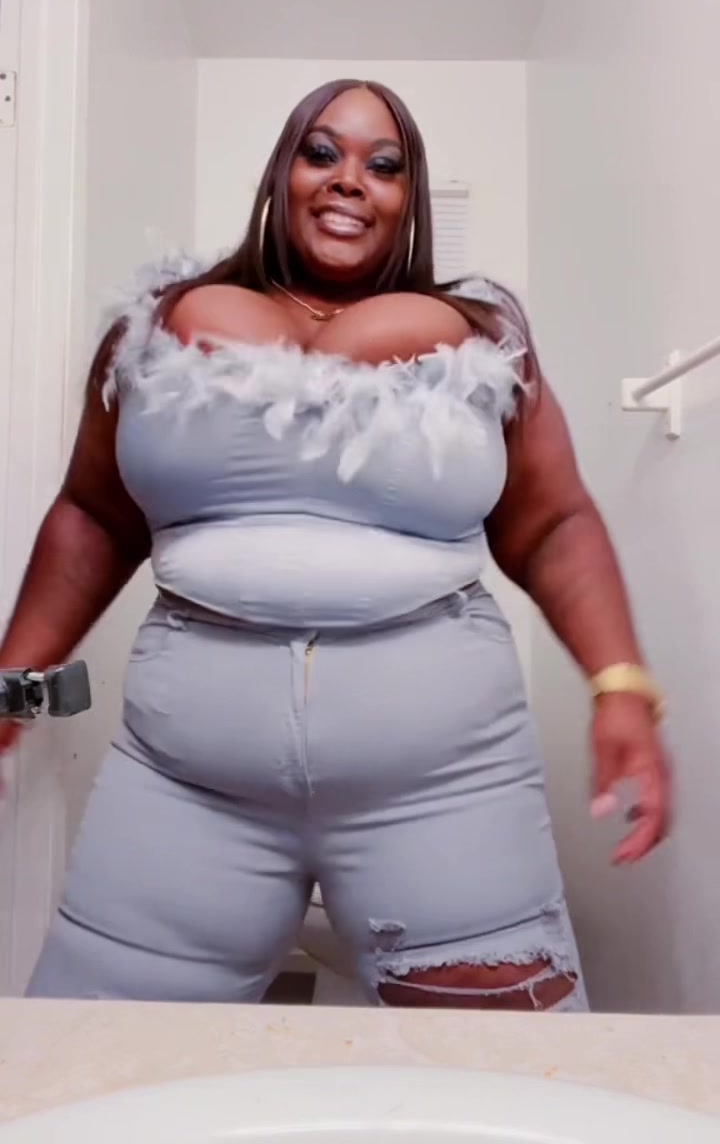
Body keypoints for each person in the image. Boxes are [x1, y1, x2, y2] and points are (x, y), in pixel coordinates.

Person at [0, 79, 669, 1009]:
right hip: (184, 789)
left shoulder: (485, 337)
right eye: (322, 153)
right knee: (102, 1068)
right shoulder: (152, 328)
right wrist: (12, 685)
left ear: (408, 197)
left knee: (503, 1072)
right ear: (283, 173)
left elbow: (553, 524)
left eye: (382, 165)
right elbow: (92, 516)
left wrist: (620, 684)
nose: (350, 179)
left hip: (447, 787)